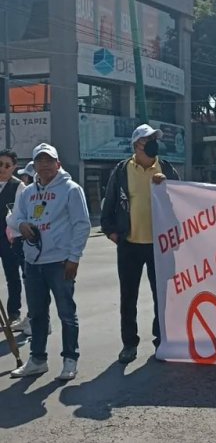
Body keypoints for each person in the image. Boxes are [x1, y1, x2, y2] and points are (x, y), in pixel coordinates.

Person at [9, 143, 91, 380]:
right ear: (33, 165)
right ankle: (37, 359)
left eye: (49, 160)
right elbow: (15, 219)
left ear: (58, 164)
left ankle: (70, 360)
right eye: (39, 161)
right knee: (36, 314)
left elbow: (82, 225)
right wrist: (22, 224)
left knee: (66, 312)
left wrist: (74, 258)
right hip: (33, 261)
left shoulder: (71, 189)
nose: (44, 165)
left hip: (60, 261)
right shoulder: (27, 192)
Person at [101, 124, 180, 364]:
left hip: (159, 246)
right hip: (130, 245)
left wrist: (166, 187)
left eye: (155, 139)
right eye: (148, 140)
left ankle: (161, 342)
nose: (154, 143)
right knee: (128, 297)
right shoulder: (123, 170)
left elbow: (180, 200)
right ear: (137, 145)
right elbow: (110, 205)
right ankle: (129, 344)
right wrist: (113, 234)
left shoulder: (165, 168)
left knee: (162, 297)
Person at [0, 150, 27, 331]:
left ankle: (13, 313)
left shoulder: (19, 187)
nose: (2, 169)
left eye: (7, 165)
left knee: (12, 276)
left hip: (9, 238)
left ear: (14, 167)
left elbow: (20, 215)